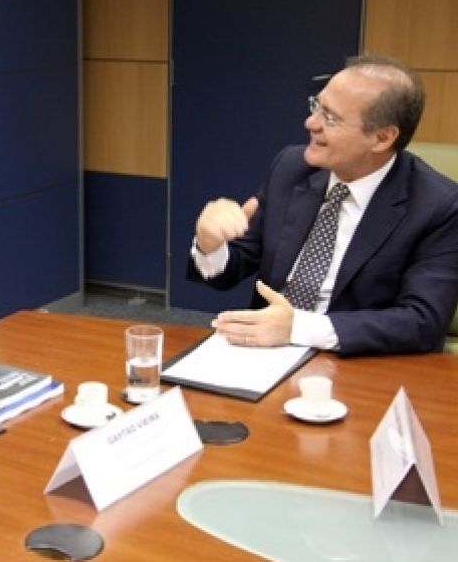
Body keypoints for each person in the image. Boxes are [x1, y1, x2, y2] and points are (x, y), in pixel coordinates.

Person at [188, 54, 458, 356]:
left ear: (382, 138)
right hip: (263, 354)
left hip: (357, 360)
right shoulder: (291, 167)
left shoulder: (438, 205)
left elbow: (422, 321)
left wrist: (298, 328)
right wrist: (210, 245)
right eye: (316, 105)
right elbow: (235, 267)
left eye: (330, 118)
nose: (310, 123)